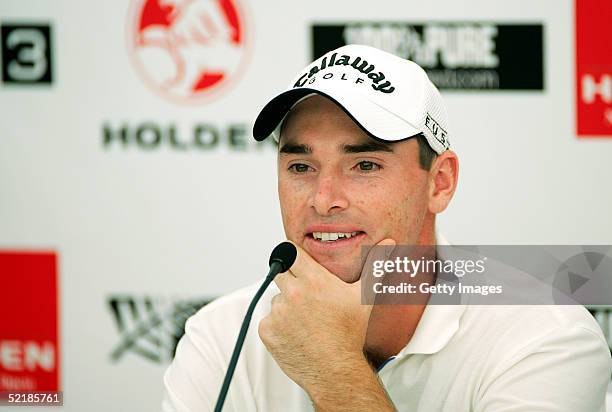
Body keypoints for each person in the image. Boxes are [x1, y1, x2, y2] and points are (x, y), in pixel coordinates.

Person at [162, 44, 612, 411]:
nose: (323, 198)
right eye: (301, 166)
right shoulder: (222, 336)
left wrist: (333, 368)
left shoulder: (545, 336)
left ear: (440, 182)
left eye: (364, 164)